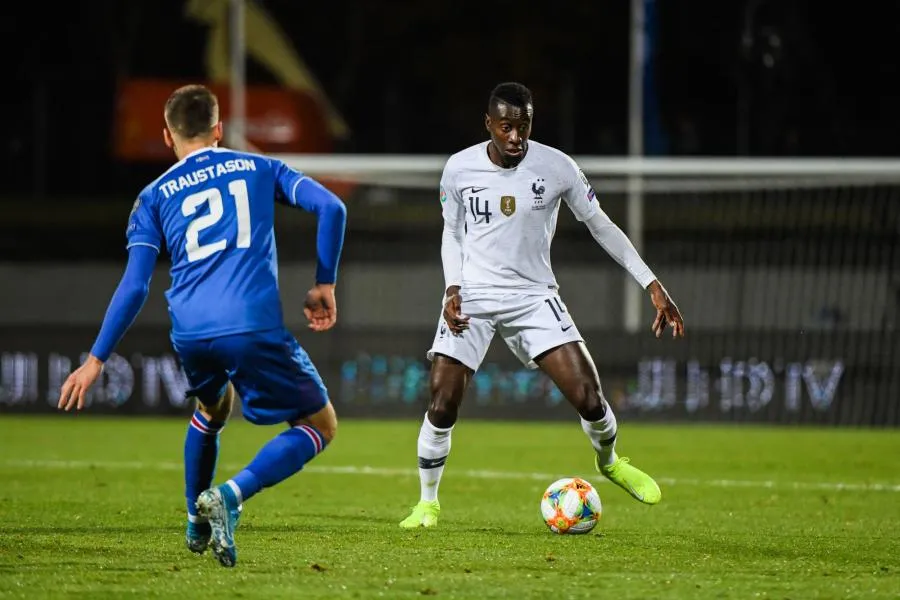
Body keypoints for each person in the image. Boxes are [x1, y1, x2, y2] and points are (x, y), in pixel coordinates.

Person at [57, 84, 347, 567]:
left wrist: (95, 360)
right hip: (249, 324)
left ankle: (194, 518)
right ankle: (231, 495)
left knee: (214, 409)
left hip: (190, 331)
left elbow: (134, 286)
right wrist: (324, 284)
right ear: (218, 129)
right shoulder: (259, 166)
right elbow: (332, 208)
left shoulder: (151, 196)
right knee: (321, 424)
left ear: (168, 136)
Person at [400, 82, 685, 529]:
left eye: (524, 125)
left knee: (589, 399)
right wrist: (452, 288)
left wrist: (650, 282)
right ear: (489, 124)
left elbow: (601, 225)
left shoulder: (558, 167)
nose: (516, 136)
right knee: (442, 399)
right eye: (506, 127)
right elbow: (451, 233)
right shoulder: (458, 169)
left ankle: (609, 461)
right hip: (473, 295)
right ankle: (427, 504)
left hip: (534, 297)